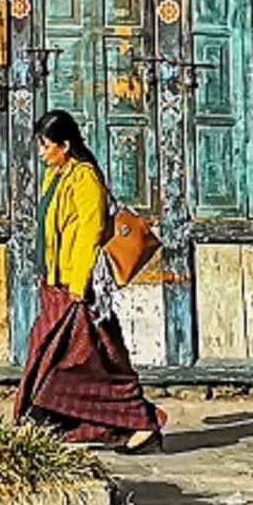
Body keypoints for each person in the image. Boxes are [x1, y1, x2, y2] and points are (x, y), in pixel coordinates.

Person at [14, 109, 165, 454]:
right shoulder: (56, 177)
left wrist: (79, 288)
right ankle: (134, 423)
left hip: (79, 288)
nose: (41, 152)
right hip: (57, 284)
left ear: (65, 146)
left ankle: (39, 422)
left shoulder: (85, 179)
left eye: (46, 145)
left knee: (66, 357)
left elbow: (90, 234)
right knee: (100, 359)